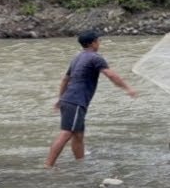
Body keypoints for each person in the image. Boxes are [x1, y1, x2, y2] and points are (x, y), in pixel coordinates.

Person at [46, 29, 138, 168]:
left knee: (78, 135)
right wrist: (128, 88)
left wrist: (60, 99)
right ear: (93, 43)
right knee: (66, 133)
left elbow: (65, 80)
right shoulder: (95, 57)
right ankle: (48, 166)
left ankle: (80, 164)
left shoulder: (77, 57)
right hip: (76, 101)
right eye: (98, 40)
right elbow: (111, 74)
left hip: (70, 100)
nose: (99, 43)